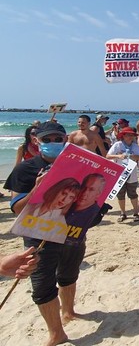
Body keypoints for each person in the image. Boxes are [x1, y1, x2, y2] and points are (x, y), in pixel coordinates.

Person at [3, 121, 84, 346]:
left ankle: (69, 312)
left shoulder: (79, 166)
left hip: (72, 233)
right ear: (36, 141)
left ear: (65, 140)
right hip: (38, 236)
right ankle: (56, 333)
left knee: (69, 273)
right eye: (46, 140)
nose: (52, 143)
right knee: (41, 284)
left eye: (57, 139)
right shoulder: (25, 169)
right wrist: (37, 189)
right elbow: (16, 208)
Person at [20, 177, 82, 244]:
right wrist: (37, 187)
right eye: (64, 193)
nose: (65, 200)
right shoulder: (33, 207)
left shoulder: (61, 220)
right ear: (56, 190)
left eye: (71, 197)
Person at [106, 127, 139, 222]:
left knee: (133, 194)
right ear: (123, 136)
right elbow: (107, 156)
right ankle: (123, 213)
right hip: (120, 174)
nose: (130, 137)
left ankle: (136, 213)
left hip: (132, 173)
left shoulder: (135, 146)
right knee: (121, 195)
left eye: (131, 135)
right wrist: (118, 156)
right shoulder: (117, 145)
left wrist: (131, 156)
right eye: (128, 135)